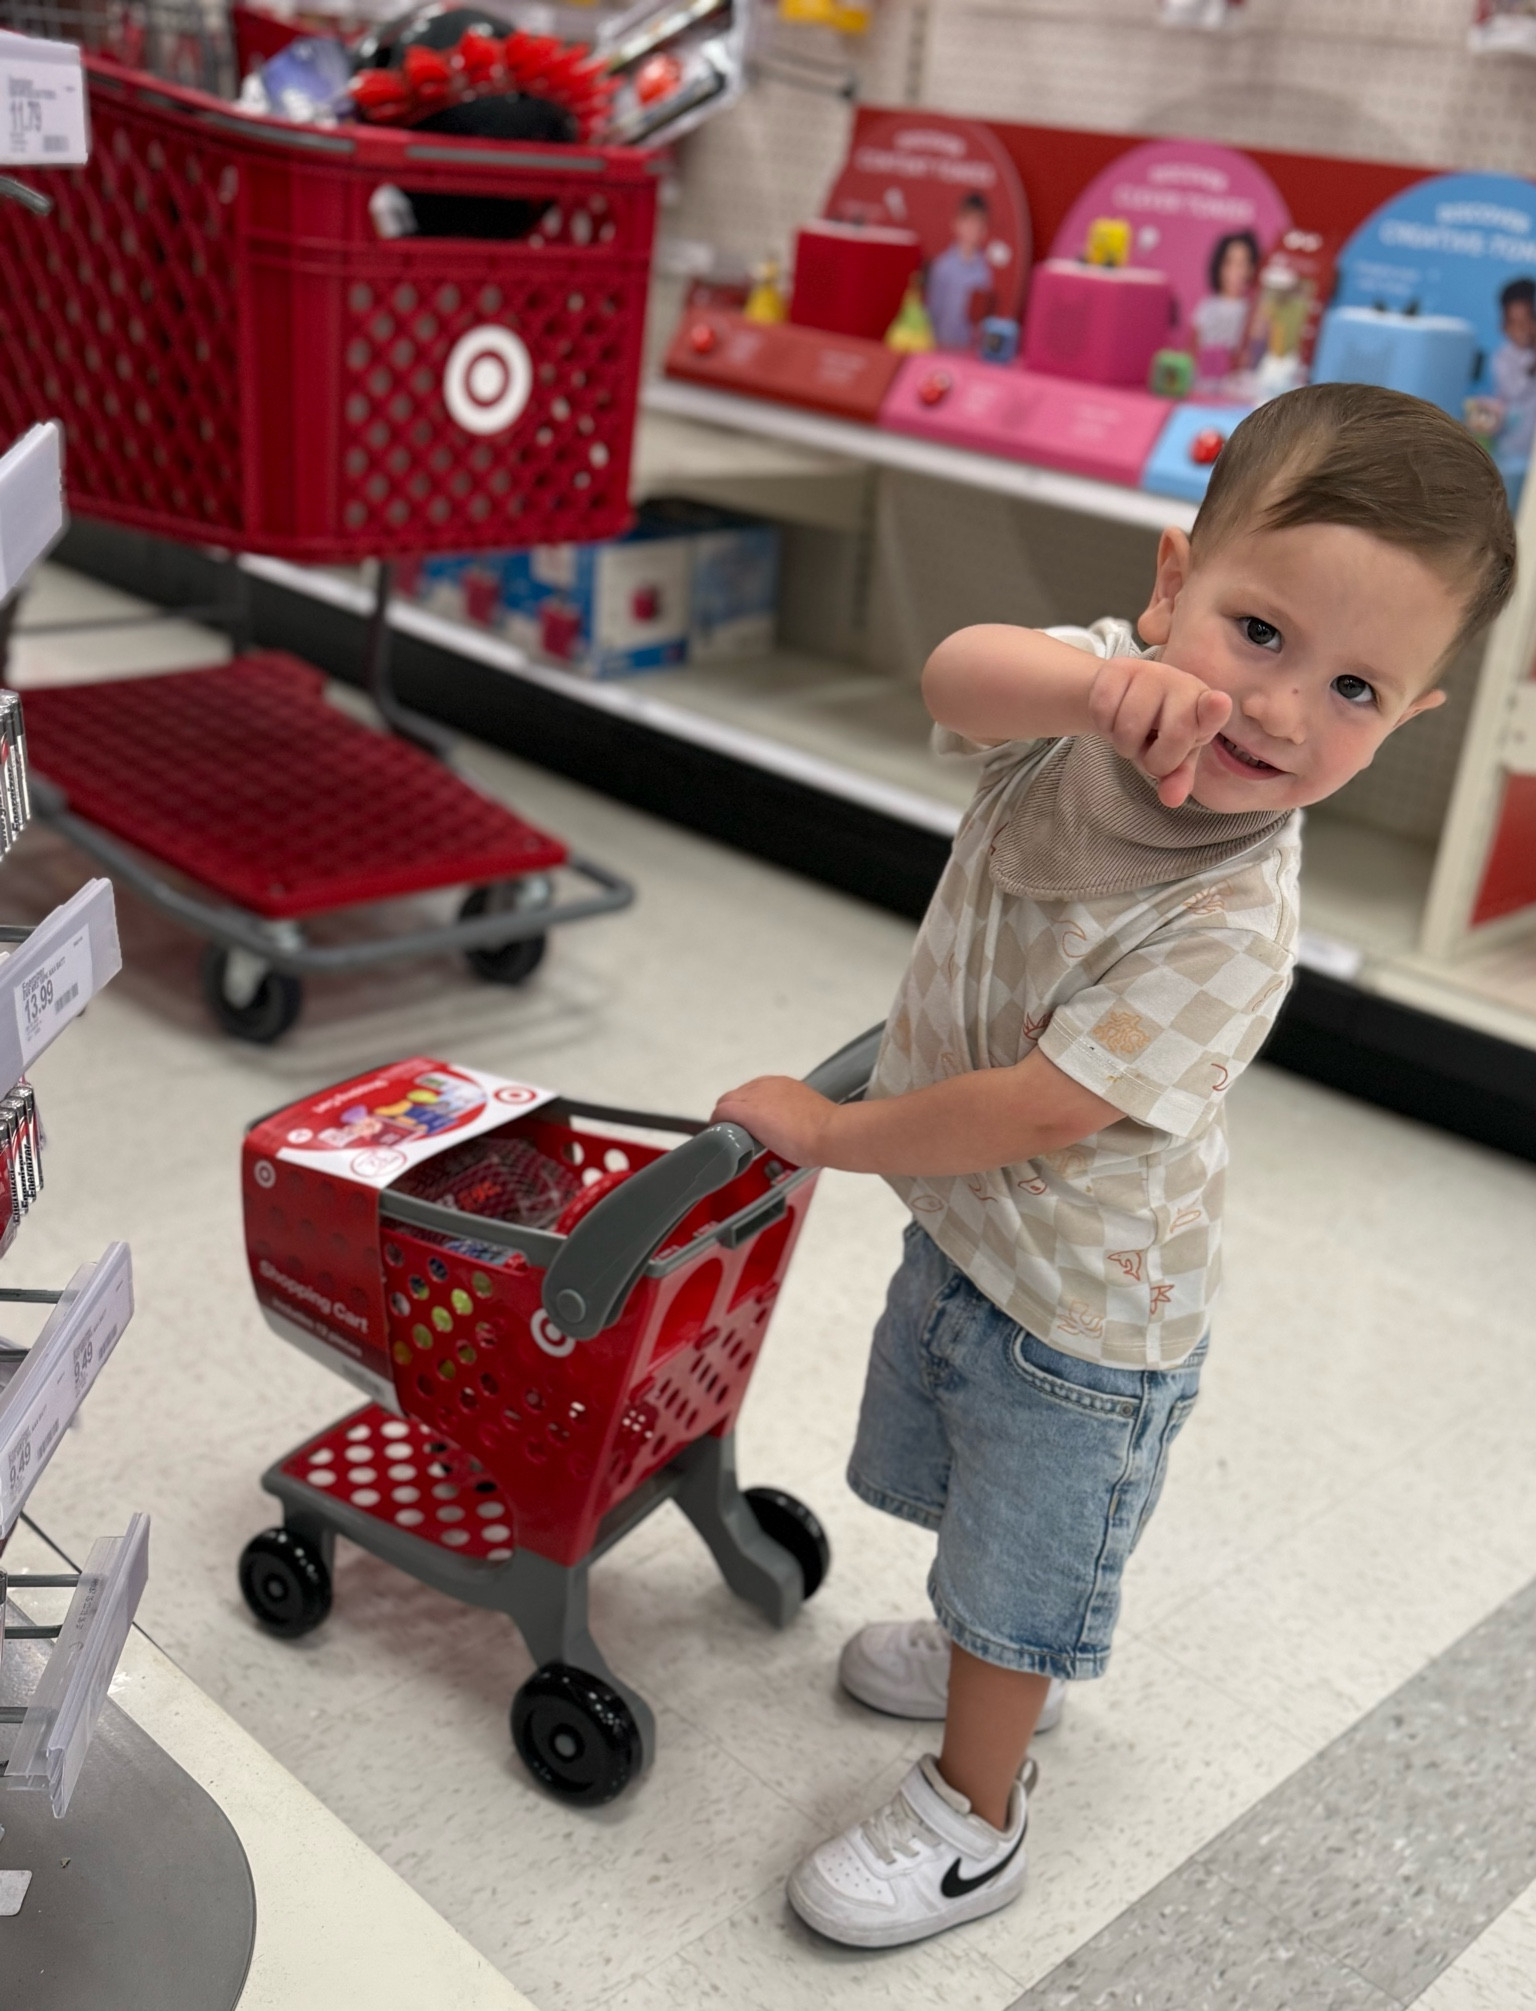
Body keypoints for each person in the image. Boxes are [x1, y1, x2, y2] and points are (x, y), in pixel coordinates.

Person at [712, 382, 1516, 1951]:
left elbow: (1040, 1108)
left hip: (1082, 1317)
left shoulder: (1231, 919)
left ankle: (976, 1809)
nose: (1281, 712)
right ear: (1171, 584)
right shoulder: (1098, 684)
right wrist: (1092, 689)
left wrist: (830, 1136)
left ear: (1413, 719)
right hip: (975, 1237)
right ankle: (977, 1663)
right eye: (1260, 634)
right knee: (953, 1475)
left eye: (1356, 687)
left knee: (1021, 1551)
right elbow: (953, 673)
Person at [924, 192, 995, 353]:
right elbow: (933, 312)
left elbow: (982, 316)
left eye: (977, 223)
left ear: (984, 230)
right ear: (956, 223)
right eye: (966, 221)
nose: (971, 228)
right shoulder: (942, 267)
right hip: (940, 346)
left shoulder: (984, 271)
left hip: (969, 351)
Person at [1190, 228, 1261, 385]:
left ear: (1252, 269)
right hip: (1202, 382)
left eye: (1243, 264)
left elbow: (1251, 355)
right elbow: (1192, 350)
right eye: (1230, 263)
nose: (1236, 272)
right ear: (1219, 266)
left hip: (1234, 384)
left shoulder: (1253, 311)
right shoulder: (1207, 307)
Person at [1491, 275, 1536, 461]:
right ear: (1504, 325)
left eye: (1526, 321)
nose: (1522, 330)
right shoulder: (1503, 357)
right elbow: (1514, 392)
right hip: (1512, 450)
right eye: (1514, 323)